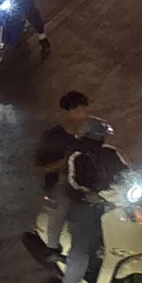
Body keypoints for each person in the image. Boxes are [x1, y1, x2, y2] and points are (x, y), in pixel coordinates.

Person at [60, 119, 129, 283]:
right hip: (87, 205)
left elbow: (127, 171)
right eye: (98, 135)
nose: (101, 138)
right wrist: (89, 195)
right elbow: (73, 184)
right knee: (81, 246)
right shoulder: (77, 157)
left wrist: (133, 181)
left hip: (114, 200)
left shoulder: (111, 153)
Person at [35, 91, 93, 258]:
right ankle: (52, 248)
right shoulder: (53, 137)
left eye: (85, 108)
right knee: (62, 206)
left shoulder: (87, 134)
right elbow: (39, 168)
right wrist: (64, 163)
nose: (84, 113)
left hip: (84, 182)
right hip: (60, 185)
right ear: (69, 112)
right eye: (80, 109)